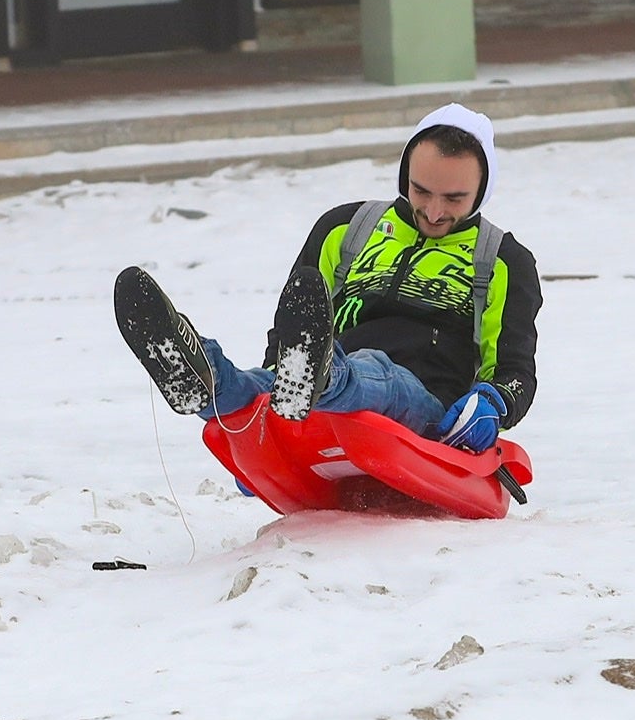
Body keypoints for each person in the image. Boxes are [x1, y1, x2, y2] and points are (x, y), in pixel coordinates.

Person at [115, 102, 542, 455]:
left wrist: (493, 403)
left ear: (481, 191)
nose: (433, 211)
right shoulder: (347, 228)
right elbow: (294, 327)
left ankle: (321, 381)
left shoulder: (501, 261)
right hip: (322, 375)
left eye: (454, 198)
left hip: (423, 404)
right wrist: (267, 444)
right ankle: (206, 377)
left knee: (381, 378)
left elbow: (515, 370)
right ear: (404, 177)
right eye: (421, 191)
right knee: (259, 385)